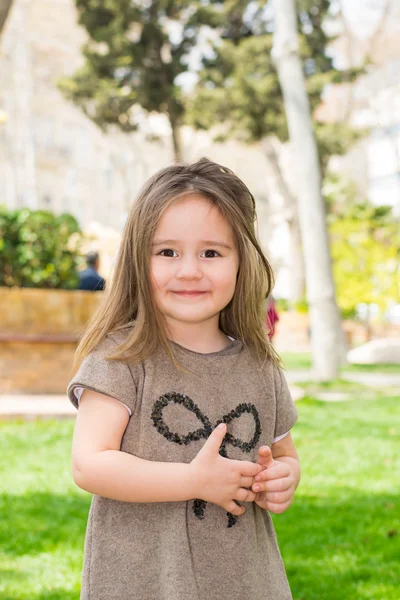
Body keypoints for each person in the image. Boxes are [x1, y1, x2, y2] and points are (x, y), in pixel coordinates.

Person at [67, 157, 300, 600]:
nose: (189, 270)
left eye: (211, 252)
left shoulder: (260, 365)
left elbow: (284, 454)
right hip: (144, 581)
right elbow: (89, 463)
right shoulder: (122, 358)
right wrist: (194, 481)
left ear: (240, 262)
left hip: (243, 581)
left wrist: (282, 479)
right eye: (167, 252)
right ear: (139, 260)